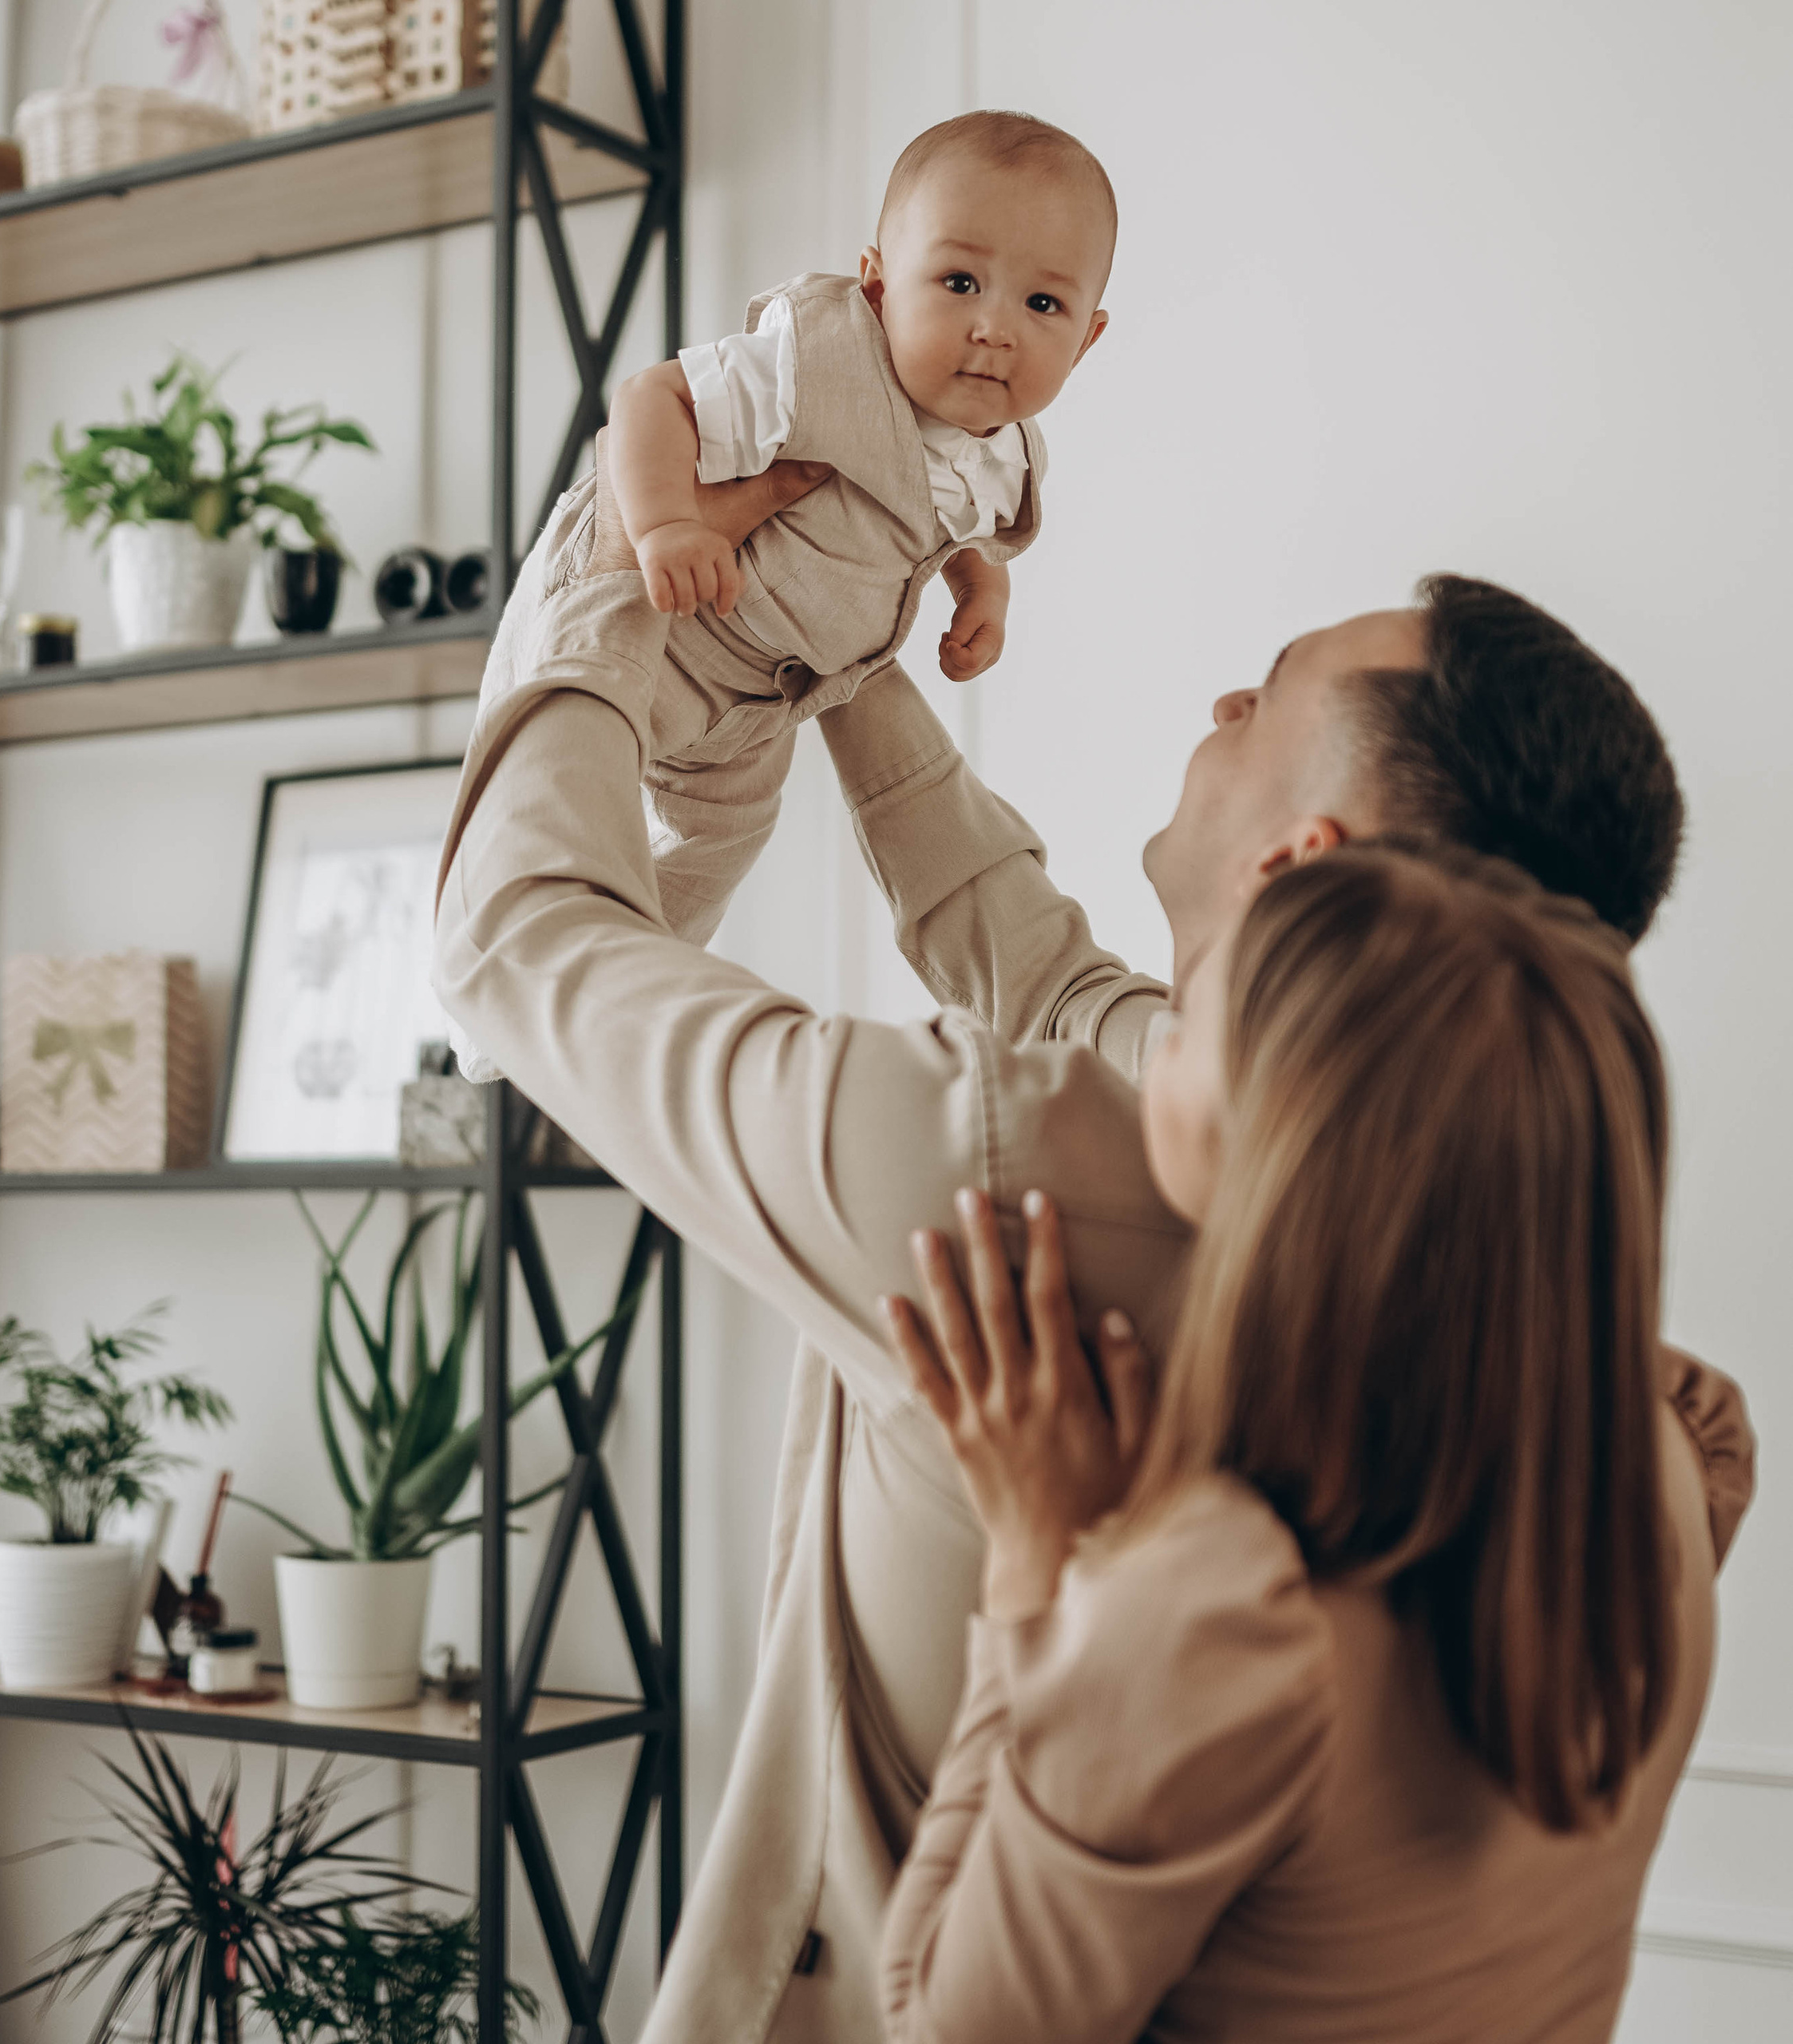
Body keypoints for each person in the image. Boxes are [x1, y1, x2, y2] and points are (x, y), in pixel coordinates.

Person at [430, 446, 1753, 2044]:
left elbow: (521, 937)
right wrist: (834, 641)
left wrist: (605, 543)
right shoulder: (1637, 1442)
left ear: (1299, 873)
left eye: (1263, 696)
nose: (1219, 707)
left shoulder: (994, 1206)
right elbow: (1051, 981)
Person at [875, 846, 1751, 2042]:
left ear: (1281, 1159)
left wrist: (1039, 1564)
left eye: (1183, 1028)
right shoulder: (1659, 1461)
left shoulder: (1222, 1616)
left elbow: (938, 2025)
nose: (1151, 1033)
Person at [450, 110, 1116, 1082]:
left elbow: (962, 533)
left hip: (761, 700)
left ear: (1089, 337)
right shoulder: (811, 363)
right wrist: (667, 526)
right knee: (551, 769)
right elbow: (648, 401)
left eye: (1043, 306)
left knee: (722, 841)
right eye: (960, 282)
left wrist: (984, 595)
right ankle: (492, 986)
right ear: (880, 282)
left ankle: (603, 1001)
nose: (994, 327)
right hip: (651, 610)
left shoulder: (1006, 454)